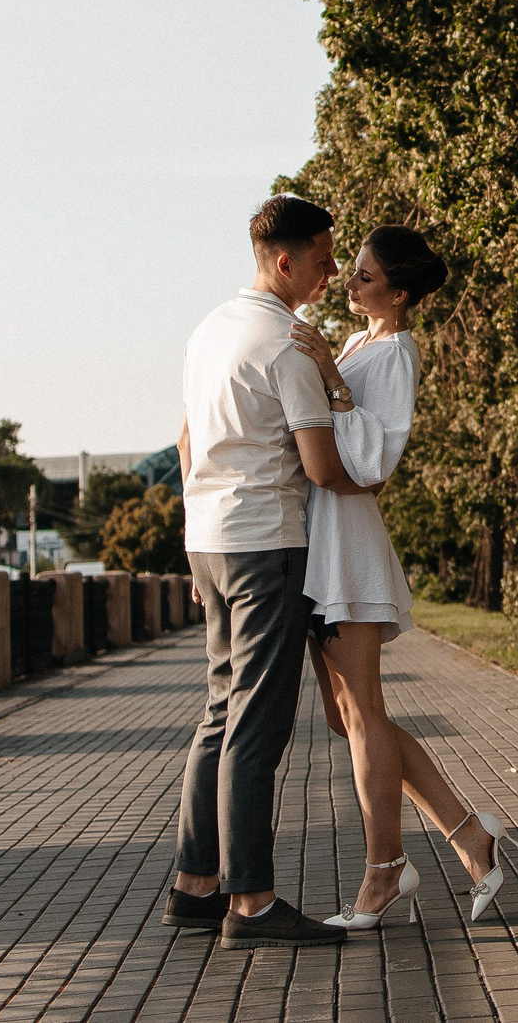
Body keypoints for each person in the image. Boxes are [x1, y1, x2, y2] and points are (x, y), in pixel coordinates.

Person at [293, 225, 518, 931]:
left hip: (346, 539)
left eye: (364, 276)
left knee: (362, 713)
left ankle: (384, 872)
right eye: (352, 270)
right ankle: (468, 836)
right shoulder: (362, 342)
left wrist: (331, 379)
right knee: (351, 716)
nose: (349, 281)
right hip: (319, 535)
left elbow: (377, 459)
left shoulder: (393, 351)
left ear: (397, 292)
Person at [163, 195, 374, 948]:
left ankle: (196, 884)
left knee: (221, 709)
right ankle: (250, 900)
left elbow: (187, 442)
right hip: (264, 543)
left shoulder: (209, 329)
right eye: (321, 257)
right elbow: (321, 465)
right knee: (258, 723)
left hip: (209, 541)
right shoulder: (288, 344)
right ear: (284, 260)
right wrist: (372, 478)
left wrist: (196, 538)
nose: (329, 270)